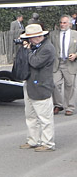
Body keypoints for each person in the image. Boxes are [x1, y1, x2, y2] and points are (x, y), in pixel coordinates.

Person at [16, 23, 55, 151]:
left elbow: (35, 62)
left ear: (38, 36)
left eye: (30, 38)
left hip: (41, 86)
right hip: (30, 84)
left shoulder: (47, 48)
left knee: (44, 118)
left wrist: (27, 51)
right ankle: (33, 140)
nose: (29, 40)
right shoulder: (35, 47)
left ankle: (48, 143)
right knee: (31, 116)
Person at [50, 15, 77, 116]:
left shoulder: (75, 34)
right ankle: (58, 104)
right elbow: (50, 47)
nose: (62, 24)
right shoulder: (54, 34)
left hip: (70, 63)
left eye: (64, 23)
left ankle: (69, 107)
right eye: (61, 22)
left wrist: (75, 55)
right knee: (54, 83)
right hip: (57, 62)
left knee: (70, 85)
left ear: (70, 24)